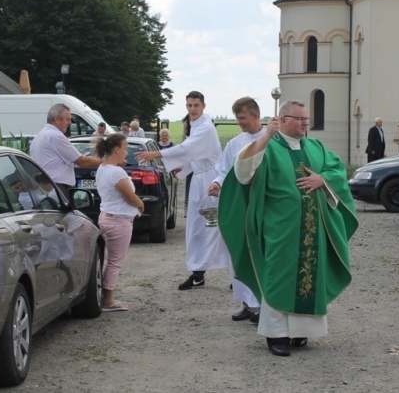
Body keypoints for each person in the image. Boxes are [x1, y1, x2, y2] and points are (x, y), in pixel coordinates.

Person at [218, 100, 358, 357]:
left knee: (310, 276)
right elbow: (242, 172)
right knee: (279, 277)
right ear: (282, 120)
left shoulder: (315, 147)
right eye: (299, 118)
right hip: (280, 229)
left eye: (306, 119)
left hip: (313, 229)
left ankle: (300, 331)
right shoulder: (268, 147)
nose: (305, 123)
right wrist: (265, 137)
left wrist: (322, 178)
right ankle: (276, 335)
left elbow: (336, 169)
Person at [137, 91, 227, 290]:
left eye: (196, 105)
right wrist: (183, 168)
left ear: (203, 106)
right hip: (199, 180)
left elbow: (186, 149)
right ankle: (198, 272)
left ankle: (236, 274)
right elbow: (194, 155)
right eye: (189, 105)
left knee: (215, 227)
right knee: (196, 228)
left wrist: (156, 154)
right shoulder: (196, 126)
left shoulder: (205, 127)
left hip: (211, 183)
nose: (192, 109)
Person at [208, 96, 265, 324]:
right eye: (237, 119)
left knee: (260, 254)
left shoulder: (272, 140)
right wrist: (217, 183)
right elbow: (224, 170)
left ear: (255, 115)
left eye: (242, 118)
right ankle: (247, 303)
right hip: (239, 205)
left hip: (262, 205)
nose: (240, 122)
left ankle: (262, 306)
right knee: (239, 252)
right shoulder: (235, 144)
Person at [95, 133, 145, 312]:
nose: (126, 153)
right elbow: (130, 196)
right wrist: (140, 204)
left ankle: (103, 295)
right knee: (115, 261)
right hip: (119, 221)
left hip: (106, 216)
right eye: (125, 149)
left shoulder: (103, 168)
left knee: (109, 260)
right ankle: (107, 299)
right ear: (117, 149)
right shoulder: (116, 172)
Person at [30, 104, 102, 195]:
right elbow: (82, 161)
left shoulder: (39, 136)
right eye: (67, 119)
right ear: (56, 119)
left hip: (46, 187)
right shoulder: (56, 136)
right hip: (58, 188)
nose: (70, 123)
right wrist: (109, 162)